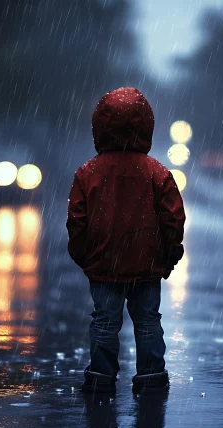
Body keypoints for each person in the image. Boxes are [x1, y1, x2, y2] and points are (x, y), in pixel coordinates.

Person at [66, 87, 186, 394]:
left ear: (100, 125)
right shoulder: (157, 173)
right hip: (146, 265)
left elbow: (77, 222)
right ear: (146, 125)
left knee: (104, 321)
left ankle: (101, 376)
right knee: (148, 321)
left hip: (104, 263)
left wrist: (85, 256)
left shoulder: (87, 173)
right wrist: (169, 255)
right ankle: (151, 375)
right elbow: (173, 219)